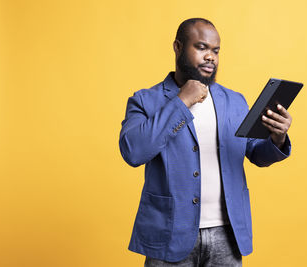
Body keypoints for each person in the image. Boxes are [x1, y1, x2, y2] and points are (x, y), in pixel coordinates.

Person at [119, 18, 293, 266]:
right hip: (170, 235)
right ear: (178, 47)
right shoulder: (145, 100)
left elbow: (256, 153)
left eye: (216, 50)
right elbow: (133, 151)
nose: (210, 57)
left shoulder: (234, 101)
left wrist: (278, 137)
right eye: (201, 48)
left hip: (227, 234)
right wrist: (181, 102)